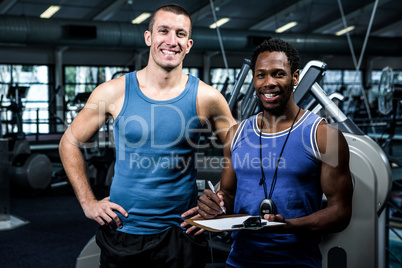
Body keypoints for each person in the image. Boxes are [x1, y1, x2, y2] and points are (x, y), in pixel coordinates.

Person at [58, 4, 235, 268]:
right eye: (163, 31)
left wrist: (221, 199)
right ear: (149, 37)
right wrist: (88, 202)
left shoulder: (206, 97)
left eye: (180, 34)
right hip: (123, 231)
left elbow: (240, 148)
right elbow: (68, 142)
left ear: (188, 44)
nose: (171, 41)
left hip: (182, 234)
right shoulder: (112, 92)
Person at [197, 38, 353, 267]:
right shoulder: (235, 135)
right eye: (261, 75)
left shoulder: (324, 136)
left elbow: (341, 211)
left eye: (278, 74)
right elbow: (228, 196)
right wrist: (214, 205)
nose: (268, 83)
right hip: (240, 260)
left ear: (295, 77)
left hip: (298, 261)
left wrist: (291, 226)